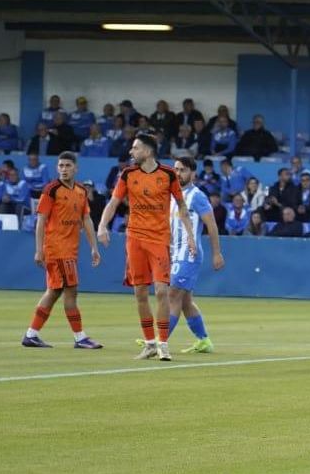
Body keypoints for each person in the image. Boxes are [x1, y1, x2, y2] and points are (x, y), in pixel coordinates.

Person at [96, 134, 195, 361]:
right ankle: (150, 343)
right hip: (135, 239)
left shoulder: (168, 174)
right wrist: (102, 225)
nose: (131, 152)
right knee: (140, 292)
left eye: (135, 148)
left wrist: (189, 235)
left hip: (159, 239)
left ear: (148, 151)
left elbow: (181, 206)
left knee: (162, 291)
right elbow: (113, 202)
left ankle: (163, 343)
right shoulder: (128, 174)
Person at [22, 158, 102, 357]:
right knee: (70, 291)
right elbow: (41, 220)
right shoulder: (51, 189)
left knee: (54, 291)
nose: (64, 169)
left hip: (70, 250)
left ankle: (31, 334)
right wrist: (38, 249)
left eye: (67, 166)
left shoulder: (81, 191)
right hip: (57, 249)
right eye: (60, 166)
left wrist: (94, 247)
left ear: (76, 168)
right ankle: (80, 337)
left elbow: (86, 219)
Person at [163, 157, 225, 353]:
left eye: (182, 170)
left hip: (189, 254)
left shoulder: (197, 196)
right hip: (173, 253)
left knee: (172, 294)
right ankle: (204, 340)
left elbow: (211, 225)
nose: (178, 173)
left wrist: (217, 253)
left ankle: (159, 341)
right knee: (185, 301)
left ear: (193, 173)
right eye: (176, 169)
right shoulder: (172, 195)